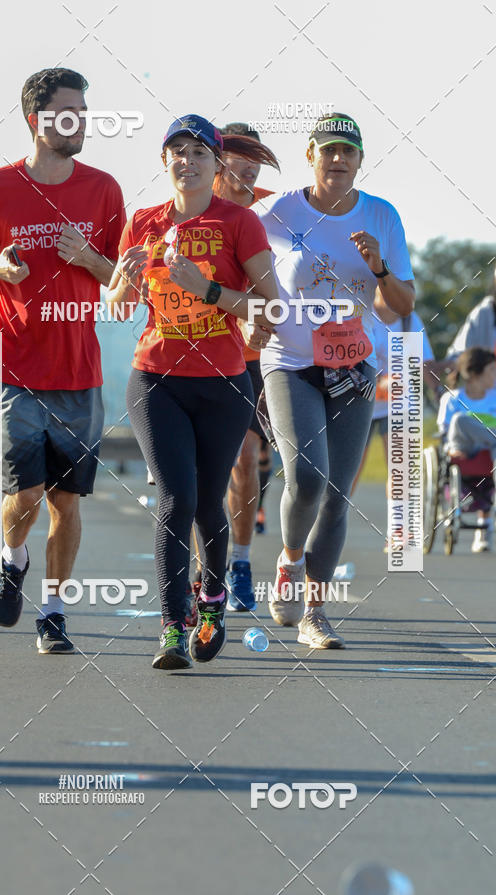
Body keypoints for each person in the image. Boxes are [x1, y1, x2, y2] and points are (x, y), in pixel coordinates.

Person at [0, 68, 125, 654]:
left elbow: (122, 282)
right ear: (36, 120)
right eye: (66, 113)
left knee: (65, 500)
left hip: (79, 369)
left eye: (83, 111)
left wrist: (91, 259)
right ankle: (11, 558)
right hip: (13, 368)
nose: (79, 122)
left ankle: (52, 612)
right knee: (24, 496)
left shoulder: (103, 189)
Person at [107, 114, 278, 670]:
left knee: (209, 502)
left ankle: (213, 597)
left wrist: (203, 288)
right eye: (177, 151)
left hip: (224, 381)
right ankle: (172, 626)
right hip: (156, 378)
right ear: (164, 163)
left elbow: (269, 308)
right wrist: (123, 279)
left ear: (217, 163)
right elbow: (118, 307)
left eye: (199, 152)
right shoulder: (144, 222)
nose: (188, 160)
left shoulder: (238, 223)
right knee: (177, 497)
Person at [255, 112, 415, 647]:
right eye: (328, 150)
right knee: (307, 477)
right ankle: (288, 562)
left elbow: (401, 307)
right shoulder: (275, 212)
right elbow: (234, 257)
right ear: (311, 155)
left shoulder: (381, 216)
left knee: (338, 494)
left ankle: (315, 613)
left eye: (348, 151)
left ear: (360, 160)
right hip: (290, 360)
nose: (338, 160)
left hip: (354, 365)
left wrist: (378, 269)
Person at [213, 127, 280, 611]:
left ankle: (238, 561)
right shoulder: (191, 202)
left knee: (244, 457)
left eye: (257, 158)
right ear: (218, 160)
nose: (251, 167)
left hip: (251, 357)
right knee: (197, 476)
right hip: (190, 352)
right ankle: (207, 567)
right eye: (240, 157)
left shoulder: (274, 208)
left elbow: (285, 278)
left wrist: (265, 320)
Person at [351, 288, 437, 551]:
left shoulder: (410, 320)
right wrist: (379, 381)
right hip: (361, 401)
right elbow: (347, 361)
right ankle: (325, 524)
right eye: (383, 283)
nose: (389, 289)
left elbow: (424, 366)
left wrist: (440, 394)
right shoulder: (359, 315)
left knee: (398, 469)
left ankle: (398, 531)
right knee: (348, 474)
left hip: (399, 404)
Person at [437, 347, 496, 552]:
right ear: (475, 373)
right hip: (462, 450)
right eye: (492, 370)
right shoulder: (452, 398)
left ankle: (483, 534)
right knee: (460, 420)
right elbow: (445, 432)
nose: (495, 375)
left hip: (489, 453)